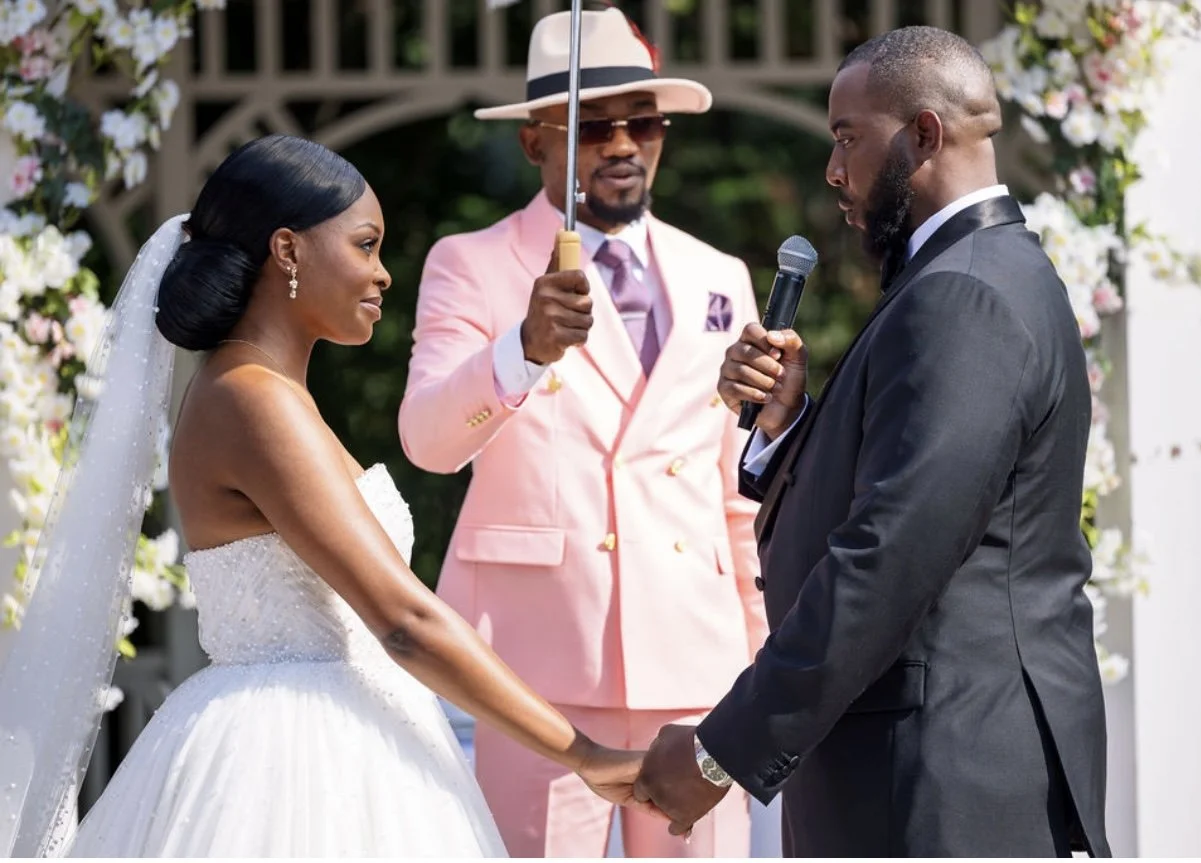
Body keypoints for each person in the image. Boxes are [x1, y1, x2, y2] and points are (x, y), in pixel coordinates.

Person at [0, 134, 658, 858]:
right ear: (288, 250)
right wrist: (584, 753)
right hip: (286, 767)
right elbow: (403, 618)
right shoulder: (252, 402)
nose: (381, 275)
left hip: (350, 741)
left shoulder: (268, 395)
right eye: (365, 245)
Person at [633, 25, 1114, 858]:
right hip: (926, 768)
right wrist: (791, 425)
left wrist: (722, 753)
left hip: (939, 780)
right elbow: (918, 499)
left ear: (923, 134)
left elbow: (889, 555)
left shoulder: (965, 295)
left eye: (847, 138)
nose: (833, 169)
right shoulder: (972, 275)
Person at [397, 7, 767, 858]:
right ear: (535, 142)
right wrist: (519, 352)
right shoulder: (473, 264)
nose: (623, 143)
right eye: (594, 126)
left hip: (699, 671)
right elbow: (426, 439)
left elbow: (738, 492)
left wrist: (761, 667)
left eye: (643, 122)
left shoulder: (722, 278)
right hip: (536, 677)